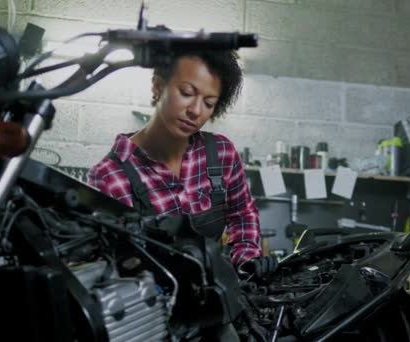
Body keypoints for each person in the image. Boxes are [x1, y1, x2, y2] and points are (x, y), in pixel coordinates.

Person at [86, 46, 276, 277]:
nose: (196, 111)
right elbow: (114, 268)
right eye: (186, 92)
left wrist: (246, 259)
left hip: (220, 298)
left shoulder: (221, 154)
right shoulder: (111, 177)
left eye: (208, 103)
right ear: (157, 86)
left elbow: (243, 213)